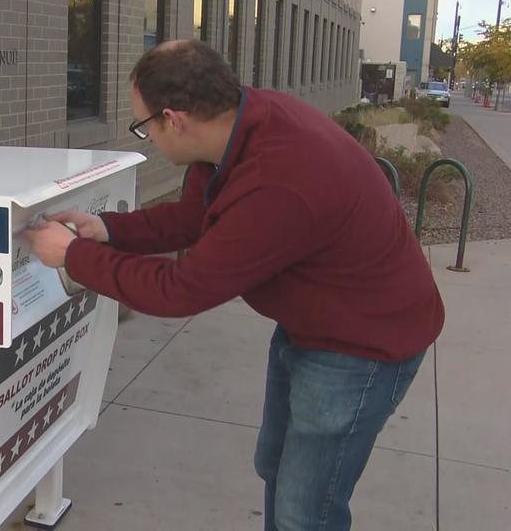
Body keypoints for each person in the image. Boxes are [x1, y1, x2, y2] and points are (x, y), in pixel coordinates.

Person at [24, 40, 444, 531]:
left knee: (306, 510)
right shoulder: (241, 125)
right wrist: (110, 230)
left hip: (363, 346)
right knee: (276, 469)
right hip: (314, 323)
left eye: (144, 127)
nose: (148, 139)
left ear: (175, 119)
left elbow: (182, 290)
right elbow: (197, 216)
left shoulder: (278, 180)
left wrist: (75, 257)